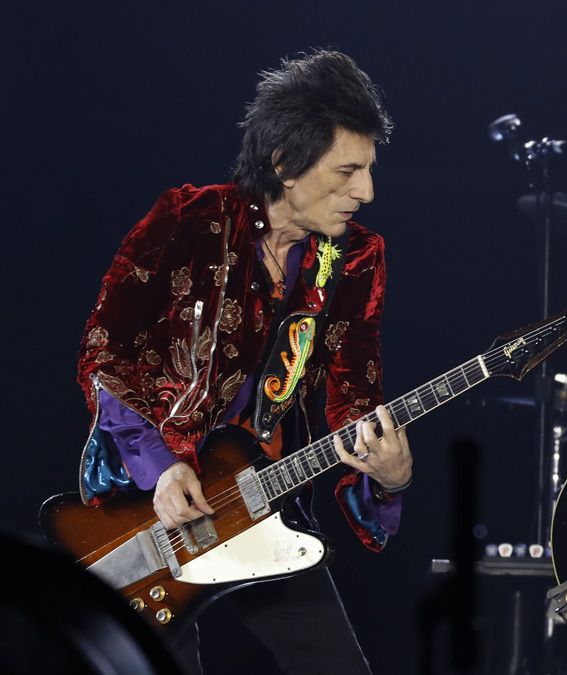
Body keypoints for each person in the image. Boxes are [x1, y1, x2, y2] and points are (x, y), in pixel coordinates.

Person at [75, 50, 412, 674]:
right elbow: (105, 350)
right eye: (347, 171)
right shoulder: (188, 219)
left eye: (368, 170)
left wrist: (387, 474)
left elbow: (354, 395)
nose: (366, 191)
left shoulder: (357, 257)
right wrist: (160, 467)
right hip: (147, 511)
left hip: (260, 503)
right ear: (285, 164)